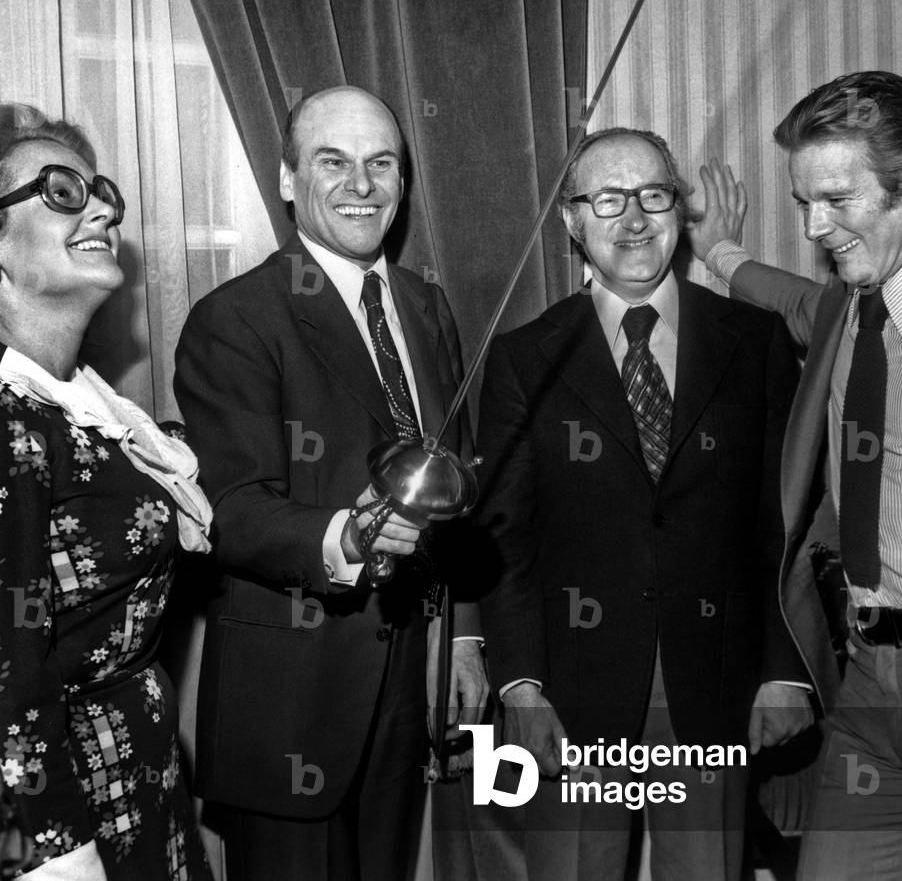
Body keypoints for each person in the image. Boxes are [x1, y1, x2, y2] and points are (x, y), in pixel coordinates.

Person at [474, 127, 813, 881]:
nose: (633, 218)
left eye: (653, 195)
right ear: (572, 220)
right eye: (607, 199)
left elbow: (783, 521)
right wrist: (521, 685)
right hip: (569, 694)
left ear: (679, 211)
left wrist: (784, 669)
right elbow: (502, 537)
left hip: (717, 686)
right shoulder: (522, 357)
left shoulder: (754, 340)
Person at [174, 85, 488, 881]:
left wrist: (462, 635)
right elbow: (230, 511)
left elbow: (456, 486)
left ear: (402, 182)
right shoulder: (236, 318)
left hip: (406, 687)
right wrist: (345, 534)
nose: (361, 184)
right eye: (332, 162)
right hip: (290, 702)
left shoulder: (425, 306)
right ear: (287, 179)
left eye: (381, 163)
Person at [689, 69, 902, 880]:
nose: (813, 225)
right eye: (804, 202)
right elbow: (793, 302)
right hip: (867, 677)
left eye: (836, 200)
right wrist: (718, 251)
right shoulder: (847, 302)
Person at [0, 105, 213, 879]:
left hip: (139, 784)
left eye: (102, 194)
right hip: (64, 816)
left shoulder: (84, 407)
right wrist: (56, 856)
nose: (101, 212)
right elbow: (7, 680)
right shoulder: (11, 419)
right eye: (61, 191)